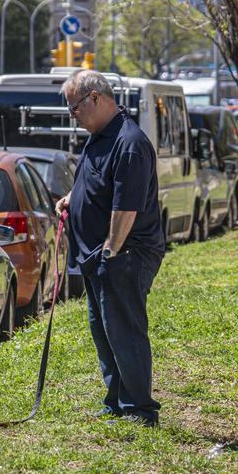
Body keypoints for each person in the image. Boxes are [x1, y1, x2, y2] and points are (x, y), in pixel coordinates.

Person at [55, 70, 165, 426]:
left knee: (124, 330)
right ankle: (117, 400)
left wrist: (110, 251)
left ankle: (139, 408)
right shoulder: (99, 137)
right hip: (97, 256)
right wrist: (73, 199)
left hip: (124, 254)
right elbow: (96, 182)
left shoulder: (129, 142)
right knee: (103, 329)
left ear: (96, 98)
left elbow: (126, 207)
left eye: (75, 109)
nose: (74, 116)